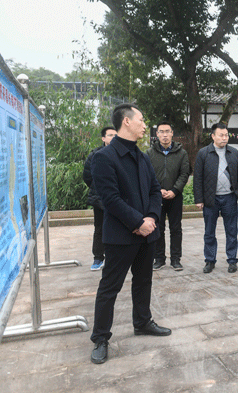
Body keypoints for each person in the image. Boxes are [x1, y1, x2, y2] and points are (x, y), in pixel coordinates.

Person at [90, 103, 171, 365]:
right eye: (141, 119)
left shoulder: (143, 156)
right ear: (126, 122)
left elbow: (154, 190)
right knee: (109, 288)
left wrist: (152, 218)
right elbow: (110, 199)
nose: (145, 125)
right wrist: (137, 221)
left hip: (148, 233)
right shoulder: (104, 157)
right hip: (121, 235)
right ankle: (101, 337)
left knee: (143, 281)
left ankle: (142, 322)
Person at [193, 123, 238, 273]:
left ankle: (232, 260)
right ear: (213, 136)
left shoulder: (233, 152)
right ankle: (210, 260)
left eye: (226, 135)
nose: (224, 138)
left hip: (229, 198)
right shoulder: (204, 153)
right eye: (221, 135)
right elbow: (198, 178)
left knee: (232, 230)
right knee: (209, 231)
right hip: (210, 200)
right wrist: (199, 199)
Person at [147, 121, 190, 271]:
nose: (165, 135)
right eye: (161, 132)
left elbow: (184, 174)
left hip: (175, 197)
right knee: (157, 228)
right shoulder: (149, 153)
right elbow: (147, 175)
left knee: (176, 228)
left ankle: (176, 259)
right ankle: (159, 259)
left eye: (167, 131)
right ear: (157, 134)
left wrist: (175, 190)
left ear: (172, 133)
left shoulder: (181, 153)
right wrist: (158, 190)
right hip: (156, 197)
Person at [83, 126, 117, 271]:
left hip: (117, 199)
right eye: (110, 135)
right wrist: (99, 189)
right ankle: (98, 258)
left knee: (117, 228)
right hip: (100, 199)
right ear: (103, 138)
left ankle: (114, 257)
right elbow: (87, 176)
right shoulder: (95, 154)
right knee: (100, 228)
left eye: (116, 135)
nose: (113, 138)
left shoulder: (121, 154)